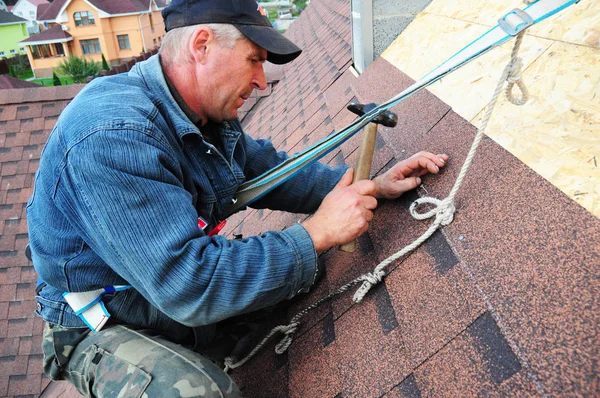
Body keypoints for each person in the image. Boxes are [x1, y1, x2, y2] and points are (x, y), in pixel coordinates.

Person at [27, 0, 448, 396]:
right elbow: (187, 285)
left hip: (163, 296)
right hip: (105, 320)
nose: (263, 83)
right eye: (254, 60)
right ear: (202, 45)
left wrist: (370, 184)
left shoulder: (197, 111)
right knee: (199, 393)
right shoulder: (113, 138)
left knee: (306, 275)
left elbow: (270, 172)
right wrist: (317, 232)